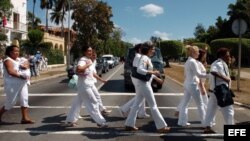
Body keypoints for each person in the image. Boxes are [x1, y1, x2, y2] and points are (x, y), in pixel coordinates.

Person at [124, 42, 171, 133]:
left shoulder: (141, 57)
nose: (154, 50)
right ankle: (161, 126)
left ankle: (129, 124)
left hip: (140, 83)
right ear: (148, 49)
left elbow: (138, 69)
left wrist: (153, 74)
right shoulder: (145, 58)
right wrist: (153, 72)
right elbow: (139, 70)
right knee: (153, 105)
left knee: (136, 104)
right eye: (152, 49)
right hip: (144, 84)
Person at [65, 46, 108, 127]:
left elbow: (92, 73)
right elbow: (79, 68)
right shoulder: (83, 60)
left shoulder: (89, 60)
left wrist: (101, 80)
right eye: (88, 51)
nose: (90, 52)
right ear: (84, 52)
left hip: (88, 84)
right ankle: (101, 122)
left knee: (77, 103)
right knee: (93, 102)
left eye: (91, 51)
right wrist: (87, 65)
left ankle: (71, 120)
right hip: (85, 85)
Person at [0, 45, 34, 124]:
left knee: (24, 99)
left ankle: (24, 118)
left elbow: (27, 64)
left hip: (22, 83)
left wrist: (26, 66)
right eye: (15, 51)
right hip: (12, 84)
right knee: (11, 102)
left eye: (18, 51)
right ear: (10, 52)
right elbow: (10, 71)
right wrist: (21, 76)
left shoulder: (19, 59)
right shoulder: (7, 60)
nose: (17, 53)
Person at [204, 48, 234, 133]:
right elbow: (213, 71)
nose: (229, 57)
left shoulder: (221, 63)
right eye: (228, 55)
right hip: (221, 91)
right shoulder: (219, 63)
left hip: (215, 91)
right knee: (229, 111)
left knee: (211, 109)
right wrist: (226, 78)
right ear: (222, 55)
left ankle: (207, 127)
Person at [177, 45, 208, 127]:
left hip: (187, 83)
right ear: (193, 52)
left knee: (185, 104)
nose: (198, 54)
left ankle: (182, 122)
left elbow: (185, 74)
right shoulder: (193, 61)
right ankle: (205, 123)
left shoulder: (188, 61)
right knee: (200, 104)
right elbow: (199, 74)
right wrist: (210, 75)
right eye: (197, 52)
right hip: (193, 84)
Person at [119, 43, 150, 119]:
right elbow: (140, 69)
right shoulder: (139, 57)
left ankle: (141, 113)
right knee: (141, 96)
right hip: (139, 79)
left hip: (138, 78)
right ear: (140, 49)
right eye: (143, 48)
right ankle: (124, 109)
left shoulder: (138, 56)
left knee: (141, 96)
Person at [90, 49, 111, 115]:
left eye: (95, 55)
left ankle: (102, 109)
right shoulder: (89, 62)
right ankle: (100, 111)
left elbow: (94, 73)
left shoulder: (94, 61)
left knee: (79, 100)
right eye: (93, 55)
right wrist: (101, 80)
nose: (94, 57)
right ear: (90, 56)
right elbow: (93, 73)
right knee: (96, 97)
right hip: (87, 83)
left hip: (90, 82)